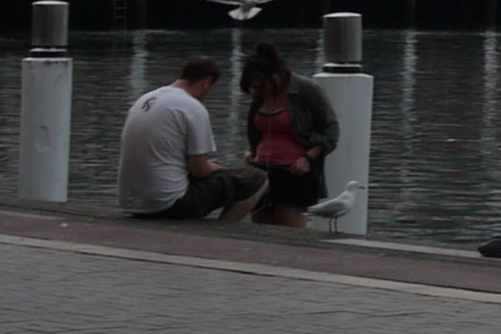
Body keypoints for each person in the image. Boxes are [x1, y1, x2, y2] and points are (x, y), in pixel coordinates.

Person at [117, 54, 260, 223]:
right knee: (256, 178)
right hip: (167, 203)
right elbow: (200, 171)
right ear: (207, 82)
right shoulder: (193, 107)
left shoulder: (145, 99)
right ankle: (224, 228)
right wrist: (213, 167)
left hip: (131, 203)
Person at [234, 43, 339, 228]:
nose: (257, 93)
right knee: (260, 227)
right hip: (261, 170)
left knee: (291, 227)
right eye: (254, 89)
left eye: (259, 87)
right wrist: (250, 151)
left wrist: (308, 158)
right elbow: (260, 130)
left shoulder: (306, 90)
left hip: (293, 173)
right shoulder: (261, 95)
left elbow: (331, 131)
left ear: (274, 78)